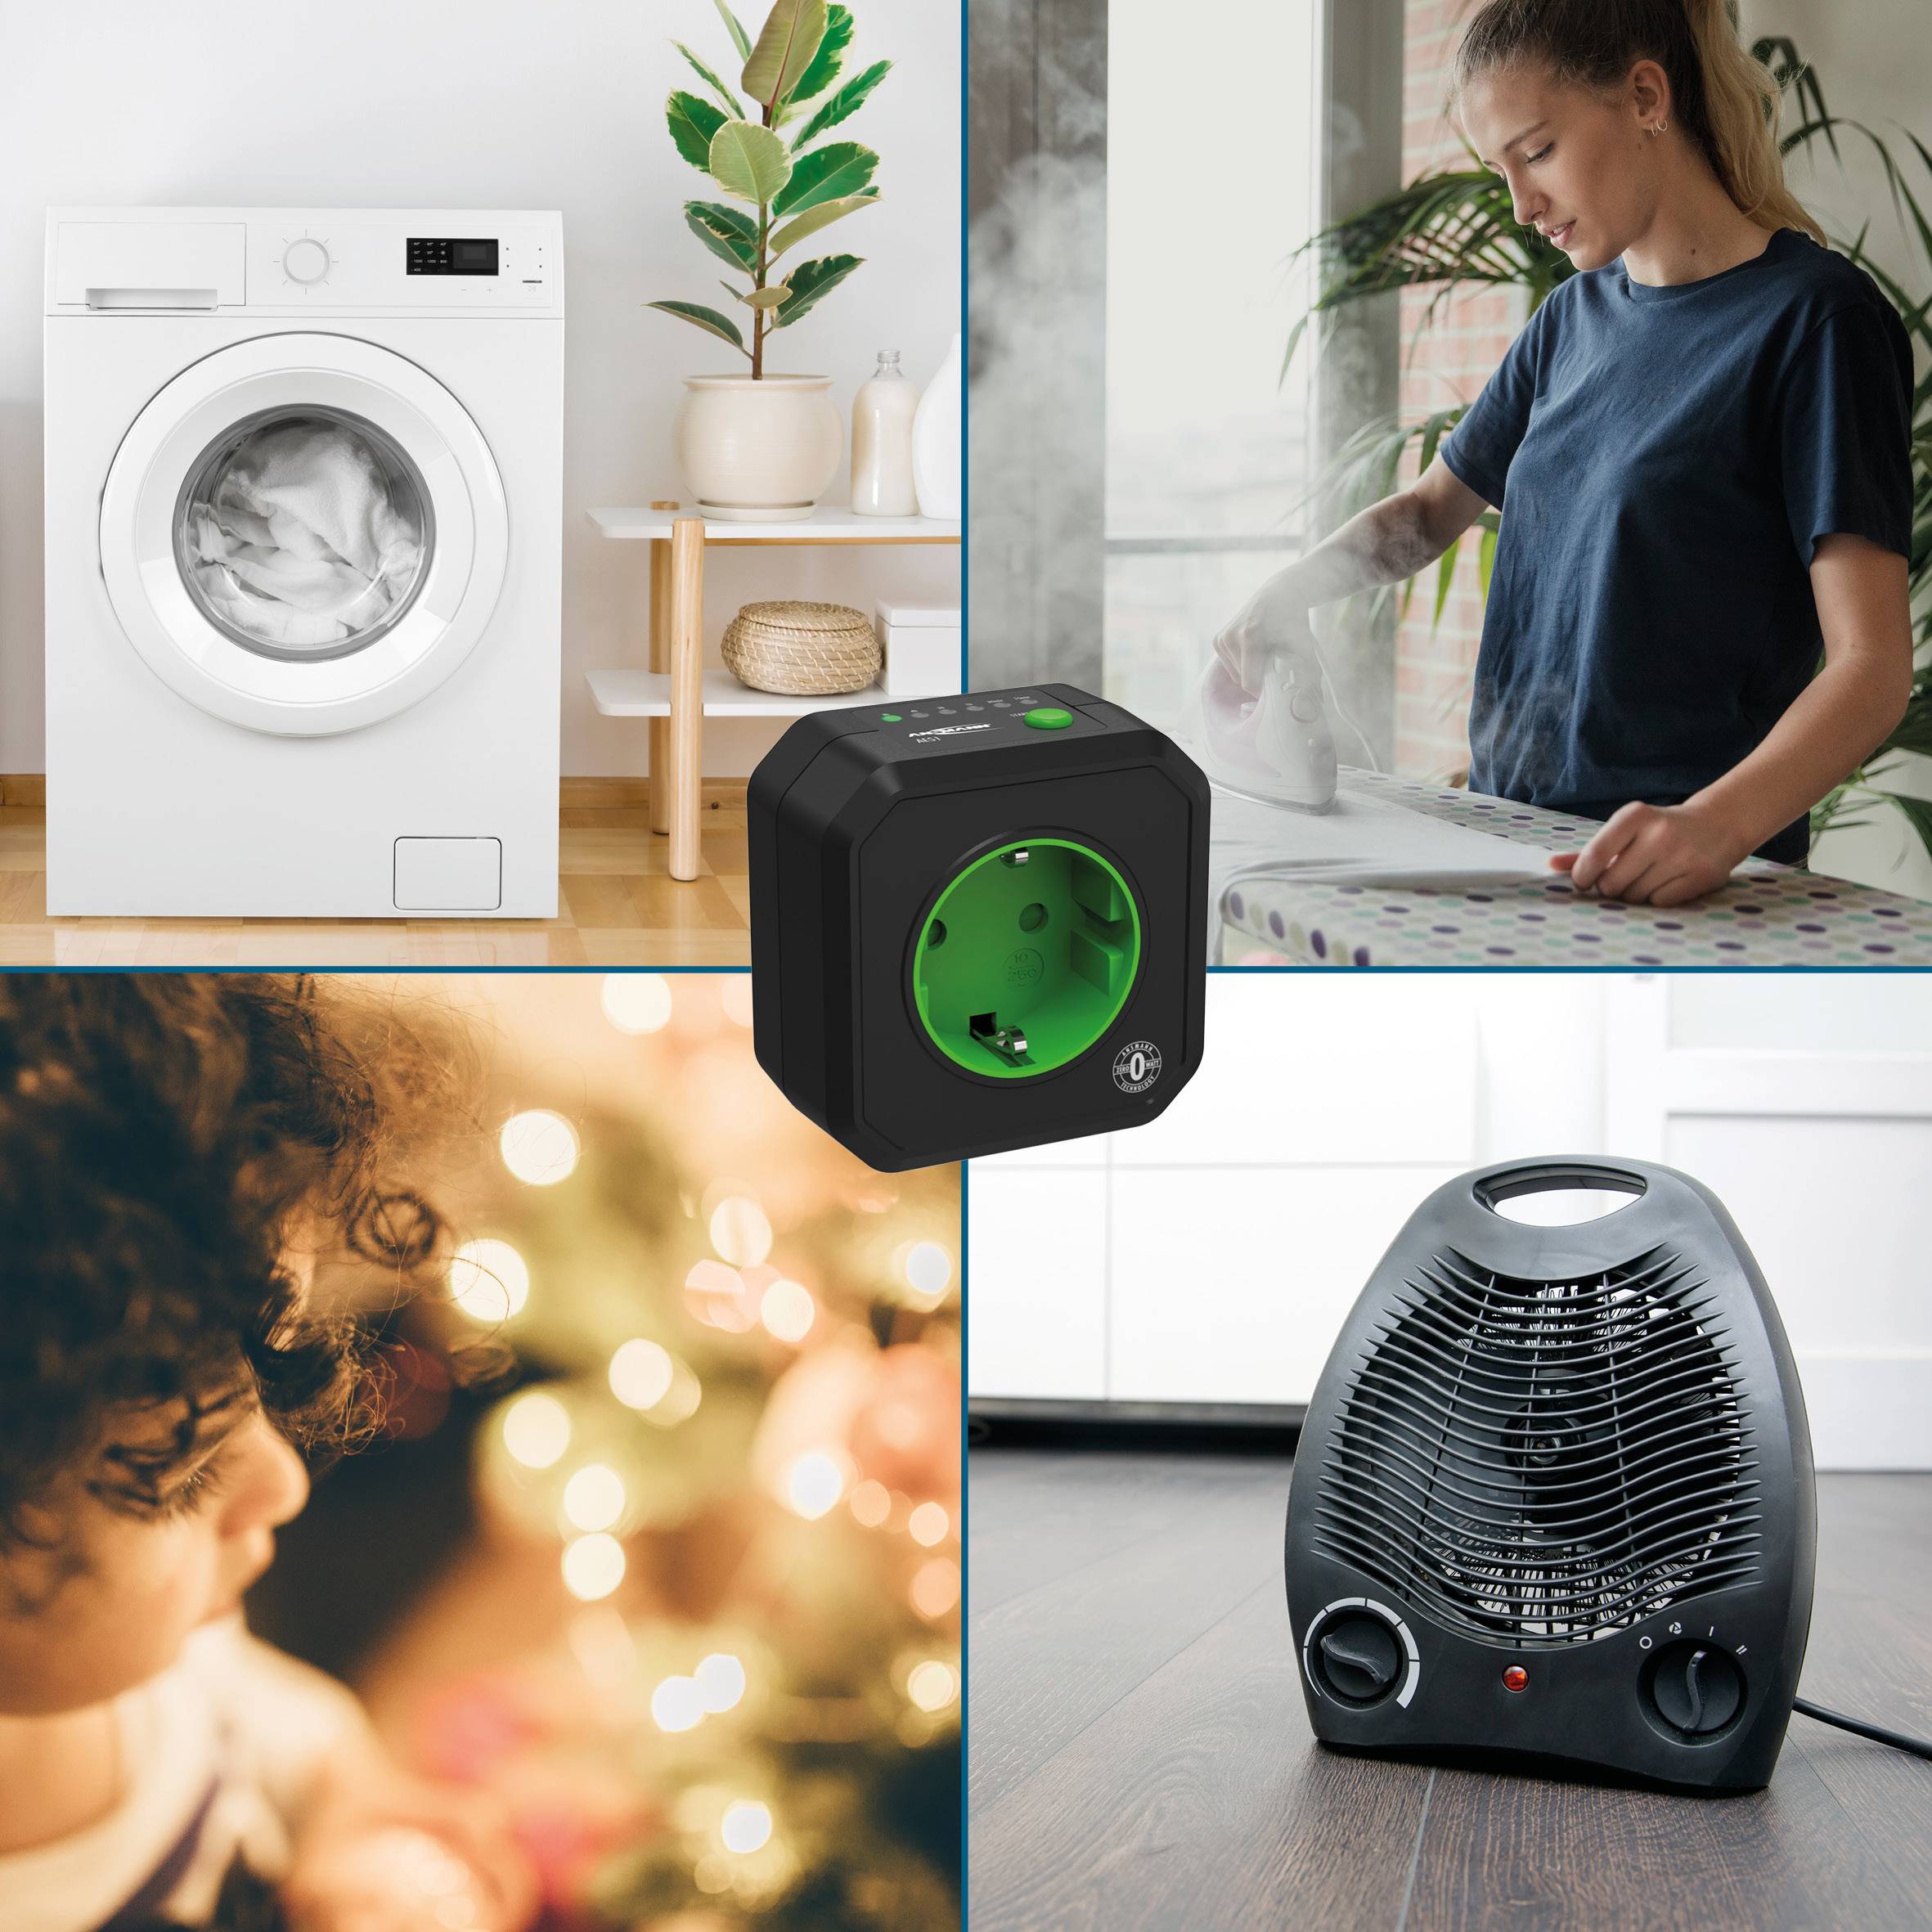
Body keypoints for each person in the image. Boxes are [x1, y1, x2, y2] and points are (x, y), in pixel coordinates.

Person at [1216, 0, 1913, 906]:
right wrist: (1285, 593)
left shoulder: (1814, 320)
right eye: (1498, 170)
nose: (1518, 206)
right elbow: (1429, 512)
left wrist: (1712, 826)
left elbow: (1871, 669)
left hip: (1684, 879)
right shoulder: (1567, 322)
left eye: (1536, 151)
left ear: (1645, 97)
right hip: (1515, 845)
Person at [0, 976, 535, 1932]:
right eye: (182, 1472)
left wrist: (348, 1804)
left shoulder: (165, 1656)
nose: (284, 1484)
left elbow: (272, 1726)